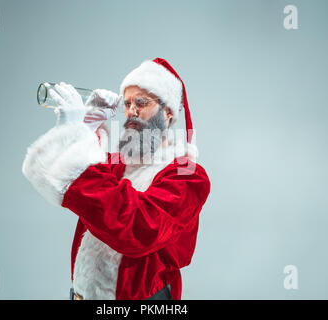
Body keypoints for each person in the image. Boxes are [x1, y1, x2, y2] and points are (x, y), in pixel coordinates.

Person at [22, 58, 211, 300]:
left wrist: (77, 139)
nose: (131, 111)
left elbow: (138, 228)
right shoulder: (118, 164)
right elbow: (67, 184)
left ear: (168, 112)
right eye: (128, 103)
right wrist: (83, 132)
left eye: (141, 102)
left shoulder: (188, 175)